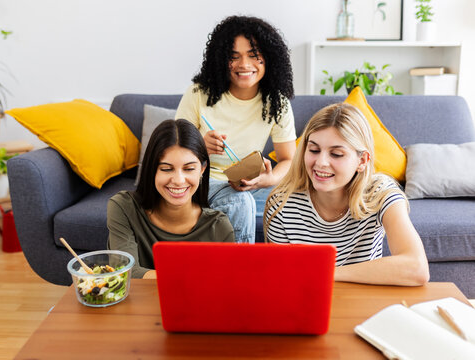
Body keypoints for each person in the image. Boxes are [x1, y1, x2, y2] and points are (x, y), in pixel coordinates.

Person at [264, 103, 429, 286]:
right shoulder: (282, 203)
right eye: (314, 150)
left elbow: (417, 268)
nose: (321, 162)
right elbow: (282, 279)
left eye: (336, 154)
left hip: (362, 303)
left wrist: (325, 272)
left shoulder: (381, 193)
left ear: (362, 160)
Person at [176, 15, 296, 244]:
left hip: (249, 184)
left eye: (254, 56)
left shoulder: (277, 104)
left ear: (268, 59)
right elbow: (173, 149)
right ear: (222, 60)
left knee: (302, 204)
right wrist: (199, 145)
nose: (244, 65)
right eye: (234, 57)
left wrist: (266, 180)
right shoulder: (198, 94)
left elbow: (288, 160)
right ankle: (241, 274)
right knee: (242, 203)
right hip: (202, 182)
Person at [107, 119, 235, 279]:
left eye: (189, 169)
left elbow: (226, 284)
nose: (179, 180)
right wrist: (193, 278)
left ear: (202, 169)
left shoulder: (218, 226)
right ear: (152, 169)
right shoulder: (123, 207)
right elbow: (124, 271)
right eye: (166, 169)